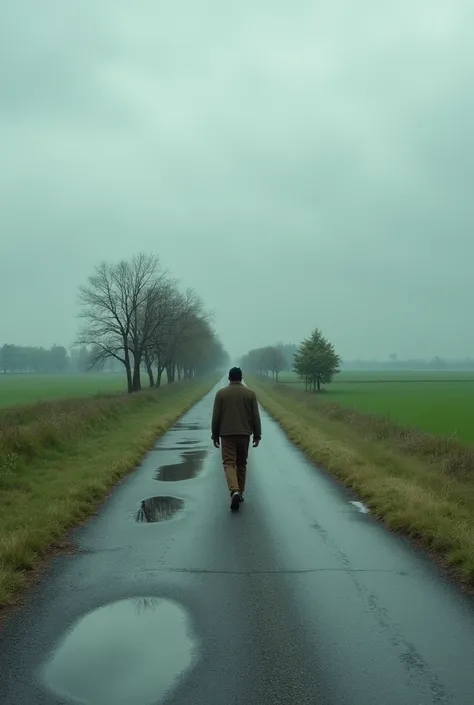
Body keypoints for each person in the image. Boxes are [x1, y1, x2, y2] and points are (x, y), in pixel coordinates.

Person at [211, 367, 262, 511]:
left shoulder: (221, 394)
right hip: (244, 434)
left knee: (229, 463)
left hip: (226, 434)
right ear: (241, 378)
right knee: (241, 463)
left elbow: (216, 417)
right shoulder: (250, 394)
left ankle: (234, 490)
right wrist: (257, 435)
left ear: (229, 378)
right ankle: (240, 492)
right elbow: (255, 417)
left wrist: (215, 435)